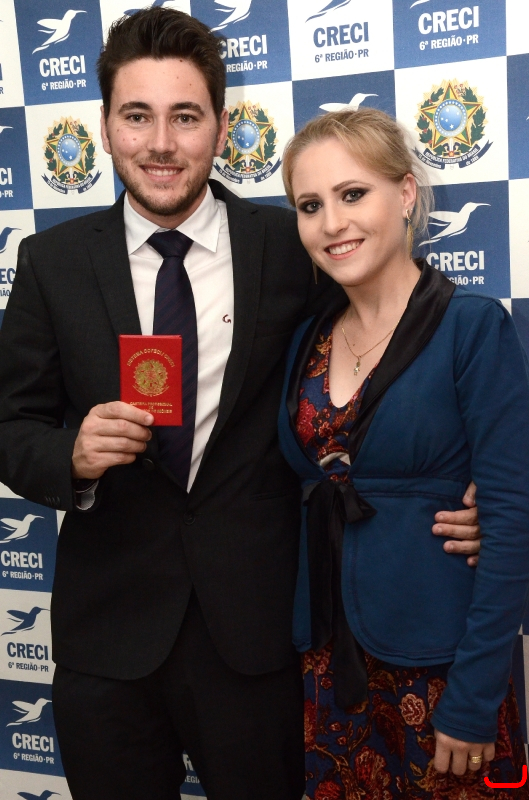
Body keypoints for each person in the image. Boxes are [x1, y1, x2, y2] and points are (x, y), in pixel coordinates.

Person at [0, 10, 480, 800]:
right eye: (137, 116)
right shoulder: (50, 262)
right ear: (106, 126)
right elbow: (11, 427)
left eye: (186, 117)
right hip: (108, 638)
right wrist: (70, 456)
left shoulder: (294, 244)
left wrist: (471, 486)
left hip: (257, 634)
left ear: (222, 128)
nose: (161, 143)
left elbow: (391, 356)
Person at [278, 107, 529, 799]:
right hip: (328, 664)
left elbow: (510, 520)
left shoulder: (471, 327)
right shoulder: (307, 338)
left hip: (441, 669)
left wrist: (474, 698)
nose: (332, 222)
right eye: (310, 205)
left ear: (406, 194)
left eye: (353, 193)